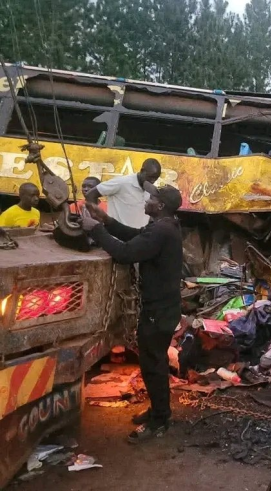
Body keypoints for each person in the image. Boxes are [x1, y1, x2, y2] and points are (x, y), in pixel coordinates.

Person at [81, 184, 183, 443]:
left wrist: (95, 230)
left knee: (153, 365)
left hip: (158, 311)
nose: (146, 200)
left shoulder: (161, 230)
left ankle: (159, 420)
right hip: (162, 308)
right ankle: (158, 411)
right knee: (153, 362)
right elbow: (135, 236)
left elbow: (125, 253)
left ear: (160, 206)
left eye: (151, 198)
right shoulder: (165, 226)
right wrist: (106, 221)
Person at [86, 158, 161, 229]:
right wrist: (97, 221)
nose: (152, 181)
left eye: (155, 178)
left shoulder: (150, 189)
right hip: (116, 236)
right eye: (150, 177)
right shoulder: (122, 182)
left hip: (138, 237)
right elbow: (91, 194)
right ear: (142, 171)